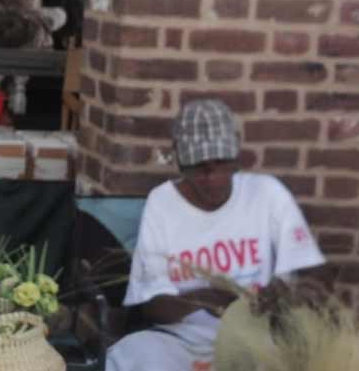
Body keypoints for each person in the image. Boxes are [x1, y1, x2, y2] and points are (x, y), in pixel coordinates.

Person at [105, 99, 325, 371]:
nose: (213, 177)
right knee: (133, 354)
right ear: (180, 162)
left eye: (221, 163)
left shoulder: (267, 194)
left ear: (236, 156)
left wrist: (286, 293)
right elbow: (153, 308)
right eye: (200, 167)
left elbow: (312, 276)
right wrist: (209, 297)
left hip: (258, 342)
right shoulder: (162, 203)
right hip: (184, 343)